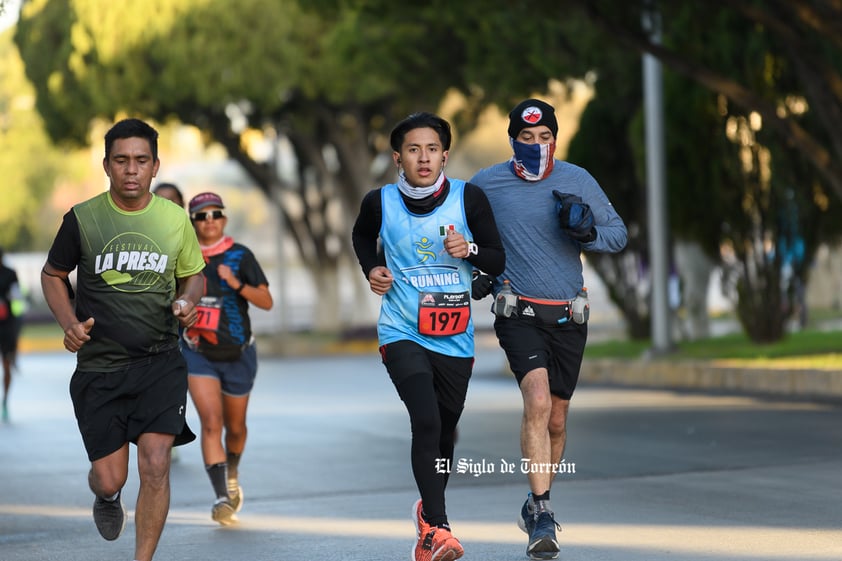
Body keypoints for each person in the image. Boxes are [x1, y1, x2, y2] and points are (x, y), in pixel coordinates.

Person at [40, 118, 206, 561]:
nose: (131, 170)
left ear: (154, 167)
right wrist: (68, 322)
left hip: (160, 363)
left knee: (155, 465)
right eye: (121, 161)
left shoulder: (174, 220)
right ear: (106, 166)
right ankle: (106, 495)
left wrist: (189, 301)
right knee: (111, 477)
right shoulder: (83, 219)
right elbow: (53, 274)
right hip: (101, 367)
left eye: (140, 161)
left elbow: (194, 276)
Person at [469, 99, 628, 560]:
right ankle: (542, 511)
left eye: (544, 137)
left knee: (557, 418)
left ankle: (534, 500)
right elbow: (462, 233)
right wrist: (477, 269)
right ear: (513, 140)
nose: (536, 145)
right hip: (516, 311)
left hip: (568, 315)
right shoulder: (486, 184)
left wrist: (585, 234)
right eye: (526, 137)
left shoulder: (577, 179)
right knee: (536, 401)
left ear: (554, 138)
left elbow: (617, 233)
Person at [352, 112, 505, 561]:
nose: (424, 157)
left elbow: (496, 258)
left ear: (445, 155)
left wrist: (470, 250)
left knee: (445, 433)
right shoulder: (379, 202)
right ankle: (438, 530)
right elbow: (362, 235)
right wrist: (372, 269)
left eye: (432, 149)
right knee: (426, 420)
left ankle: (427, 513)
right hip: (401, 329)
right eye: (414, 150)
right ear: (397, 157)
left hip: (454, 337)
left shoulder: (468, 199)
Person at [181, 191, 274, 526]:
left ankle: (231, 472)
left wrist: (237, 285)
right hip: (197, 353)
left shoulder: (240, 255)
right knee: (211, 422)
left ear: (224, 219)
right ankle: (221, 496)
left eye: (215, 214)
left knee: (235, 428)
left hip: (238, 353)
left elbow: (266, 301)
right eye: (201, 216)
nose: (209, 221)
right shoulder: (183, 256)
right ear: (191, 222)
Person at [0, 247, 23, 422]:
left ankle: (5, 401)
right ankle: (6, 400)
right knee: (7, 365)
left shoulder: (10, 273)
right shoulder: (10, 273)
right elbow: (17, 297)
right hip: (8, 328)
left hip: (7, 327)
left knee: (7, 365)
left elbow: (17, 297)